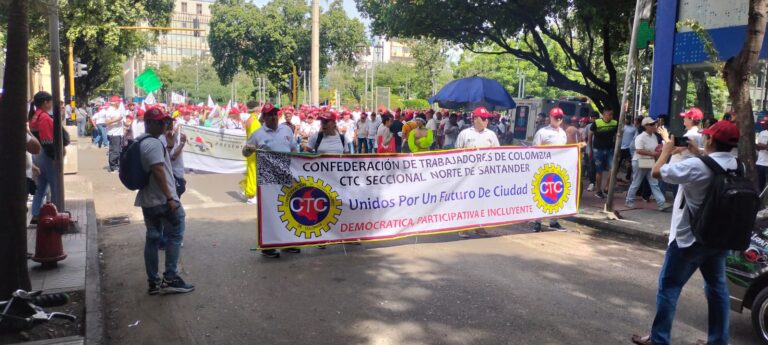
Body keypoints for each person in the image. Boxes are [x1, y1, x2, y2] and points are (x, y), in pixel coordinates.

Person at [631, 120, 740, 345]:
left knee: (669, 287)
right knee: (717, 290)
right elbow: (715, 164)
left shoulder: (697, 166)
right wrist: (697, 152)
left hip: (689, 239)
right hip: (720, 237)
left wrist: (668, 150)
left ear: (710, 140)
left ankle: (659, 339)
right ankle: (718, 341)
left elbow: (657, 171)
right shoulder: (739, 165)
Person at [134, 107, 194, 295]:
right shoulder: (151, 143)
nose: (164, 125)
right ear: (149, 123)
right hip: (161, 200)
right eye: (160, 122)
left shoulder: (143, 142)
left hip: (148, 200)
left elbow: (163, 161)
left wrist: (168, 146)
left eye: (165, 122)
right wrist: (170, 198)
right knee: (175, 234)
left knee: (152, 238)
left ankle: (153, 282)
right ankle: (170, 278)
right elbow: (159, 171)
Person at [242, 104, 300, 258]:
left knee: (288, 209)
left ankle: (287, 243)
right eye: (269, 115)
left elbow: (295, 150)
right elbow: (245, 152)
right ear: (264, 118)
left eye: (275, 114)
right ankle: (268, 246)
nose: (273, 117)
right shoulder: (257, 134)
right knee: (270, 213)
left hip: (286, 175)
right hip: (267, 177)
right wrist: (248, 149)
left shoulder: (287, 130)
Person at [455, 107, 499, 238]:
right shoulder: (465, 134)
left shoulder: (491, 134)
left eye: (487, 119)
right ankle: (463, 227)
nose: (486, 121)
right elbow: (457, 153)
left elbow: (498, 153)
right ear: (475, 119)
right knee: (466, 201)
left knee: (482, 201)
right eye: (483, 118)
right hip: (468, 175)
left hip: (485, 174)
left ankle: (479, 226)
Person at [531, 107, 568, 232]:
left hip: (558, 169)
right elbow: (535, 150)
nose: (558, 119)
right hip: (543, 169)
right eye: (555, 117)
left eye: (560, 117)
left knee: (555, 195)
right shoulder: (542, 132)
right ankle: (537, 222)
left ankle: (554, 221)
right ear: (550, 117)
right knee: (541, 196)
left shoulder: (563, 133)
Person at [624, 117, 671, 211]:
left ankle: (661, 203)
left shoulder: (653, 136)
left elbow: (654, 149)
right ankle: (629, 201)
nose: (654, 126)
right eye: (651, 124)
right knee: (636, 182)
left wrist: (658, 152)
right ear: (645, 126)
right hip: (640, 161)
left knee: (654, 183)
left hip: (649, 161)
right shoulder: (640, 137)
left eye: (654, 124)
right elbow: (638, 150)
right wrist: (653, 154)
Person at [28, 91, 60, 225]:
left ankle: (35, 214)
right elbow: (47, 140)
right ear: (45, 103)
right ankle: (57, 212)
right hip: (46, 155)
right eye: (50, 102)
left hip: (37, 156)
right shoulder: (44, 118)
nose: (51, 104)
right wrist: (55, 157)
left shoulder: (34, 117)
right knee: (55, 185)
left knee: (40, 187)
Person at [588, 107, 618, 198]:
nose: (611, 116)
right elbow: (590, 136)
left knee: (613, 169)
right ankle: (598, 190)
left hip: (610, 150)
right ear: (604, 115)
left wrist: (617, 149)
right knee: (599, 171)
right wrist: (590, 149)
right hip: (598, 150)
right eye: (609, 115)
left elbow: (617, 136)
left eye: (612, 114)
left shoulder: (615, 123)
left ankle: (607, 187)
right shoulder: (596, 123)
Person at [240, 101, 262, 204]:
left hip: (251, 149)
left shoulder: (251, 119)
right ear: (257, 109)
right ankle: (251, 195)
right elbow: (256, 137)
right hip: (253, 150)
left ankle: (247, 190)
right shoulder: (254, 120)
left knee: (251, 171)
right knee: (253, 172)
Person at [105, 96, 125, 172]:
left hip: (119, 133)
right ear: (115, 103)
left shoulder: (117, 110)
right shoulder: (110, 110)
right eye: (118, 102)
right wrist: (117, 119)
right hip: (113, 134)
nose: (119, 103)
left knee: (118, 150)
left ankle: (116, 164)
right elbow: (106, 122)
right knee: (115, 150)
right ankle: (113, 166)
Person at [757, 118, 768, 190]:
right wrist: (764, 146)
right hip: (760, 163)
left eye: (764, 124)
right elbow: (757, 147)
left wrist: (761, 146)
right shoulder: (762, 133)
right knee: (760, 184)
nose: (763, 125)